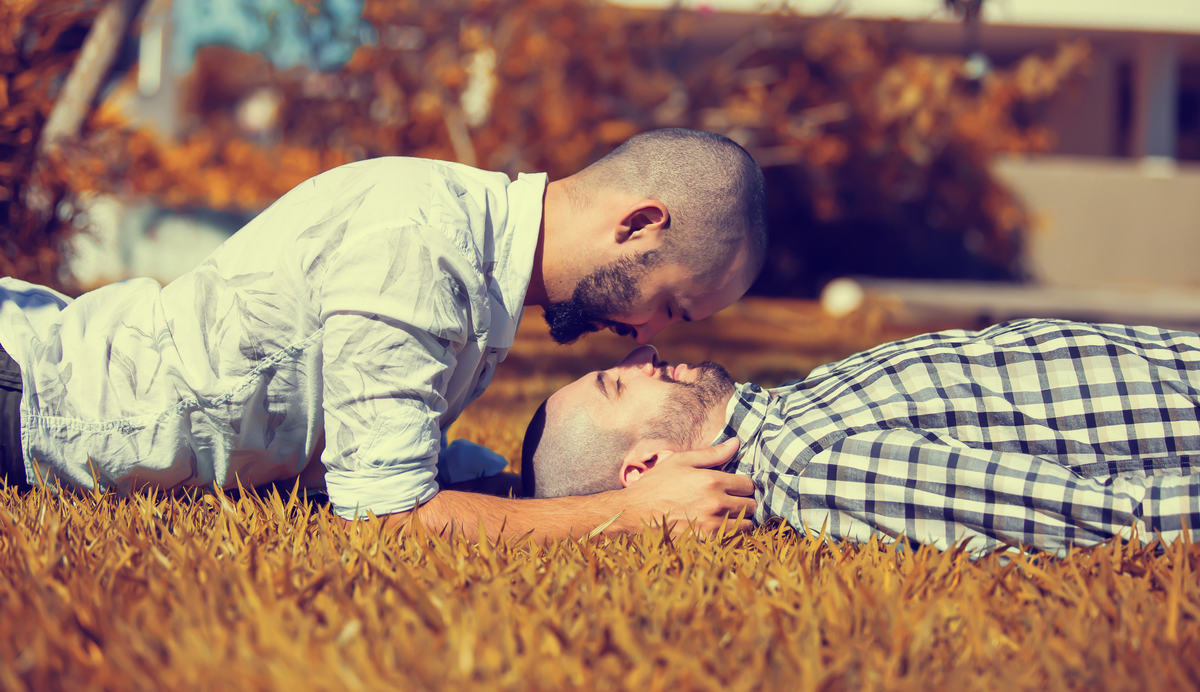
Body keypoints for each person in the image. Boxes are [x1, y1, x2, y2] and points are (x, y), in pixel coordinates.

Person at [0, 128, 767, 539]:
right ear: (639, 225)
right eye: (673, 306)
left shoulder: (480, 260)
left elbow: (364, 463)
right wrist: (632, 514)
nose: (647, 337)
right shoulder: (425, 247)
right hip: (23, 399)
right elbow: (386, 516)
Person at [521, 318, 1200, 554]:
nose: (642, 354)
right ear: (647, 466)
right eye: (617, 384)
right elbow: (1118, 518)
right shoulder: (812, 467)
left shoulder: (794, 408)